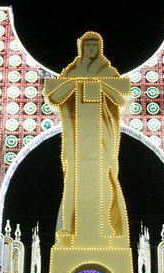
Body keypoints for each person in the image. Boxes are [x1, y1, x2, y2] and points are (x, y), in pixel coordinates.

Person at [43, 32, 130, 248]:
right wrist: (76, 81)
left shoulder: (108, 72)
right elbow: (54, 95)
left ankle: (106, 225)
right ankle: (71, 230)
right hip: (78, 138)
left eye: (95, 45)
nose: (91, 49)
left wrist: (99, 84)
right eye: (87, 45)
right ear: (82, 47)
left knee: (104, 178)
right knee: (74, 182)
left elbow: (122, 95)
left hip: (102, 135)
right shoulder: (73, 72)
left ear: (99, 48)